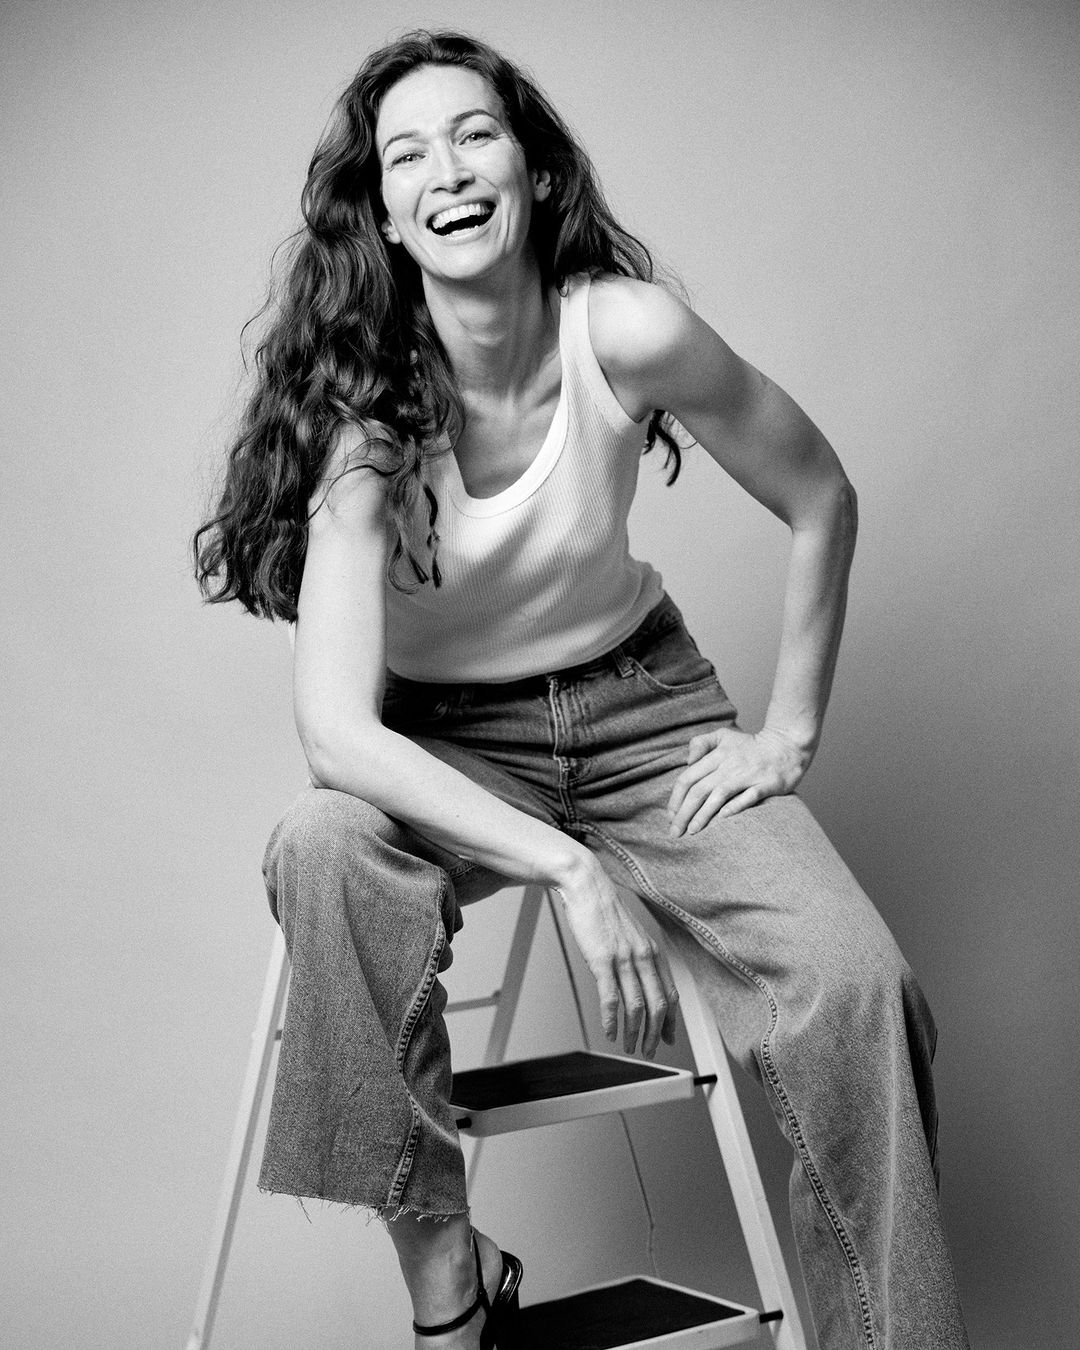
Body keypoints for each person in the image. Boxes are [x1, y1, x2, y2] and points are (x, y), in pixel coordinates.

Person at [194, 29, 969, 1350]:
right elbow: (335, 733)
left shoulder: (626, 330)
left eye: (475, 135)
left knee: (859, 986)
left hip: (643, 715)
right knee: (319, 846)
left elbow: (820, 494)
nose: (447, 171)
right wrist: (567, 865)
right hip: (450, 741)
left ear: (535, 170)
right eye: (407, 155)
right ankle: (451, 1291)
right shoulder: (365, 417)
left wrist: (787, 732)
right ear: (383, 215)